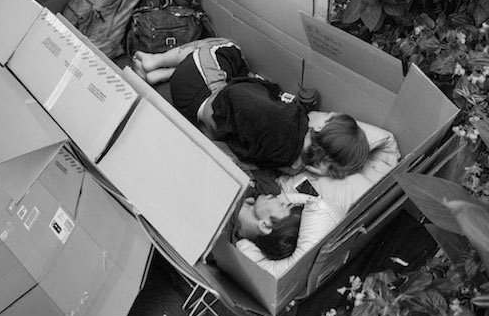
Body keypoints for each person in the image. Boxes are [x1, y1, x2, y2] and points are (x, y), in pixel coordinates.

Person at [130, 38, 370, 175]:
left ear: (325, 125)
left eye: (328, 116)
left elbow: (233, 96)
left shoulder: (284, 120)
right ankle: (163, 74)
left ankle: (156, 61)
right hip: (193, 110)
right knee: (239, 70)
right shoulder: (289, 162)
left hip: (196, 92)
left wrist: (258, 86)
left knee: (228, 49)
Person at [233, 191, 345, 269]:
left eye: (283, 205)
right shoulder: (258, 189)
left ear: (265, 226)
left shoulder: (222, 223)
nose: (279, 198)